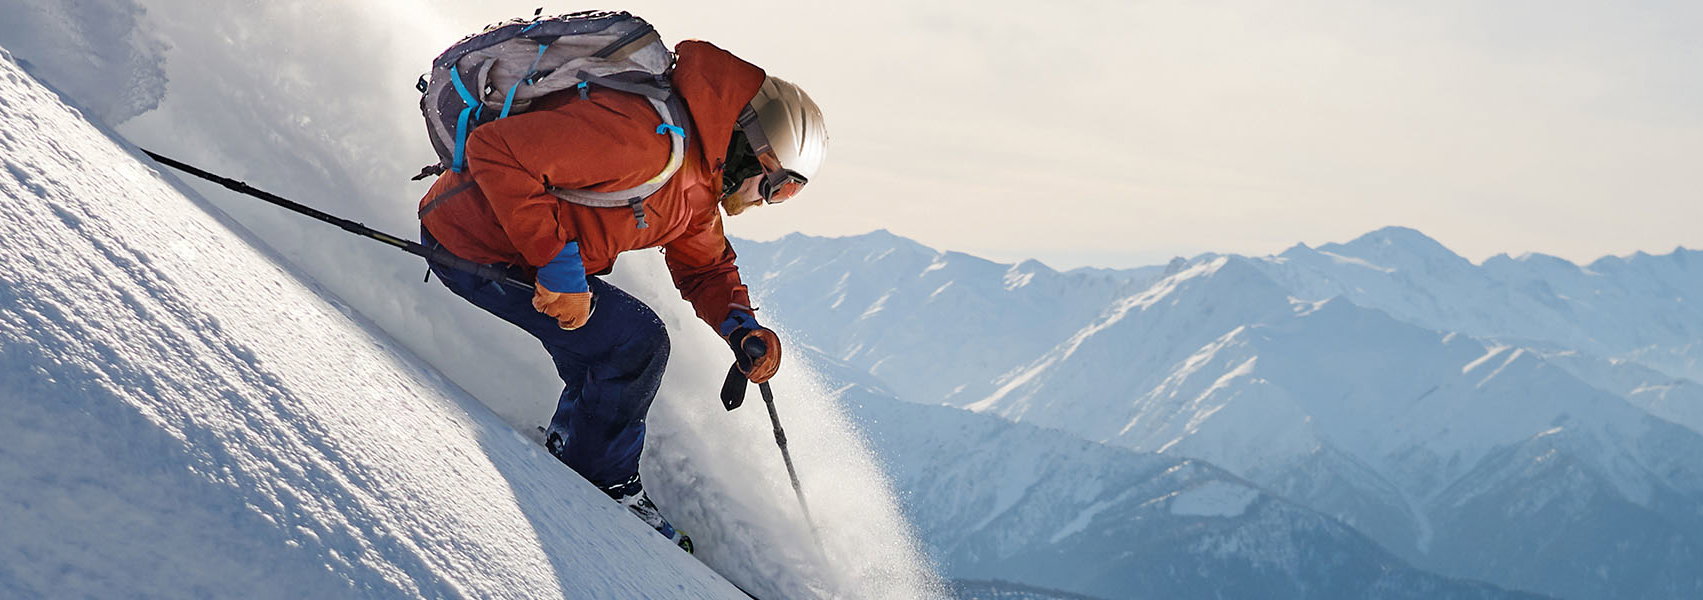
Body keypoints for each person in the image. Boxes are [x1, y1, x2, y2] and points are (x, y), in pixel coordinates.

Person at [416, 39, 827, 552]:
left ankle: (573, 452)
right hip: (472, 243)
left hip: (518, 252)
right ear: (754, 149)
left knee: (605, 360)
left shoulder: (696, 177)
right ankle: (601, 482)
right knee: (635, 343)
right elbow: (495, 150)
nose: (769, 202)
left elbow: (705, 266)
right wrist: (557, 264)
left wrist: (741, 326)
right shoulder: (646, 141)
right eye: (777, 187)